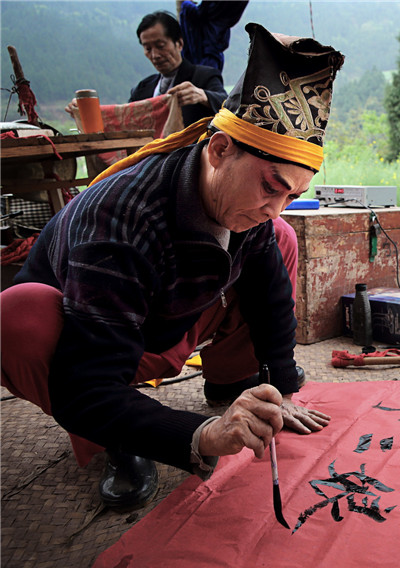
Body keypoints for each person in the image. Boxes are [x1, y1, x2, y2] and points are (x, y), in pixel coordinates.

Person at [2, 25, 341, 511]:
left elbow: (269, 293)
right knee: (17, 315)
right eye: (272, 186)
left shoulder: (251, 205)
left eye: (293, 194)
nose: (277, 205)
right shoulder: (119, 221)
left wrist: (281, 387)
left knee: (279, 239)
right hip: (91, 337)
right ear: (220, 149)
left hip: (171, 315)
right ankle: (120, 441)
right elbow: (87, 385)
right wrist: (201, 434)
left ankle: (232, 380)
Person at [129, 11, 228, 126]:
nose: (155, 55)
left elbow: (229, 105)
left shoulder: (203, 77)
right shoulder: (141, 89)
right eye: (148, 49)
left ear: (179, 43)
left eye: (160, 46)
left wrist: (204, 96)